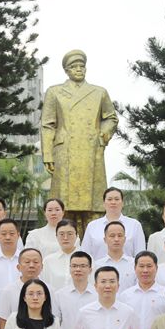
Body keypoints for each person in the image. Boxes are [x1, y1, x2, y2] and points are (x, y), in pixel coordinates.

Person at [40, 49, 119, 228]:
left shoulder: (99, 92)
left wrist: (102, 136)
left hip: (91, 151)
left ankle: (93, 236)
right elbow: (47, 125)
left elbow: (111, 118)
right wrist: (47, 154)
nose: (78, 69)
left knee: (94, 205)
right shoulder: (55, 92)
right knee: (64, 204)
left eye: (81, 66)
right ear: (66, 70)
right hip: (64, 152)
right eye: (74, 66)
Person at [80, 187, 146, 260]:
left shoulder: (134, 225)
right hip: (99, 267)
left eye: (117, 199)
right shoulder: (92, 226)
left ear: (122, 203)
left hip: (128, 267)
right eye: (109, 199)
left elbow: (140, 254)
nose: (113, 202)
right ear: (104, 203)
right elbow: (85, 254)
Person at [0, 248, 47, 329]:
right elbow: (3, 323)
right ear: (18, 267)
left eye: (35, 262)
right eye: (27, 262)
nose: (31, 265)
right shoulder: (8, 291)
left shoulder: (49, 290)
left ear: (42, 267)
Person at [94, 220, 136, 292]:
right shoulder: (97, 265)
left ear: (125, 239)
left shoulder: (134, 264)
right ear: (105, 239)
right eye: (112, 236)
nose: (116, 239)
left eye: (120, 235)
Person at [41, 219, 79, 288]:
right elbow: (44, 286)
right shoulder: (48, 261)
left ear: (76, 236)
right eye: (61, 234)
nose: (65, 238)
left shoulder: (87, 259)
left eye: (70, 234)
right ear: (56, 236)